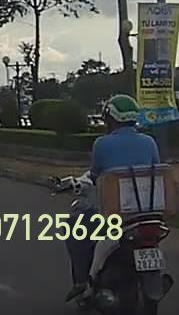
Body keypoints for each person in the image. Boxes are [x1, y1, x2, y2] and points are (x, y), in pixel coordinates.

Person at [65, 94, 161, 302]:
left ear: (111, 119)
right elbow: (155, 169)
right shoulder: (149, 142)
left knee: (74, 225)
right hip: (147, 211)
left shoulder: (102, 144)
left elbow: (95, 175)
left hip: (115, 212)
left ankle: (82, 281)